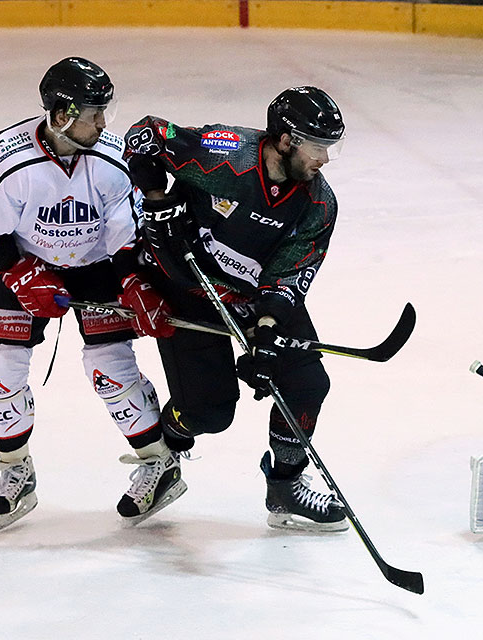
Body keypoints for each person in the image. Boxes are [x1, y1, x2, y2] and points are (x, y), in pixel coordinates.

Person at [0, 57, 184, 530]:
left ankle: (158, 462)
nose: (104, 123)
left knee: (108, 366)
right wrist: (18, 272)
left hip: (98, 269)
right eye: (94, 114)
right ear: (61, 114)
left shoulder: (113, 160)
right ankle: (16, 467)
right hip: (24, 262)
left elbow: (127, 234)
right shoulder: (10, 158)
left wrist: (134, 281)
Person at [122, 86, 348, 532]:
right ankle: (165, 453)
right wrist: (155, 197)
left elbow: (288, 275)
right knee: (210, 413)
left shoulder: (318, 204)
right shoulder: (223, 152)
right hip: (190, 286)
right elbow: (145, 133)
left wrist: (265, 337)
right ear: (286, 140)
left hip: (250, 296)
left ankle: (285, 486)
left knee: (306, 384)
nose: (325, 159)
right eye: (318, 147)